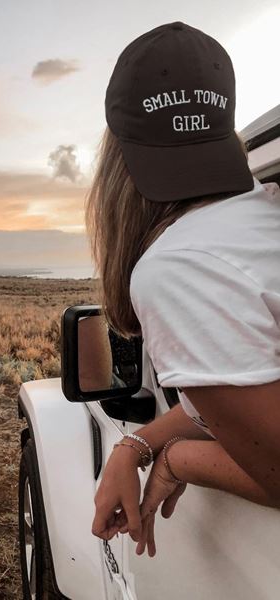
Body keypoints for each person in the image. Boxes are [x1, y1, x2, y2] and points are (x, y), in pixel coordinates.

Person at [86, 21, 280, 558]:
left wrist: (175, 461)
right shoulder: (262, 217)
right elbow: (246, 394)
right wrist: (139, 445)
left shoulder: (177, 267)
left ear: (116, 158)